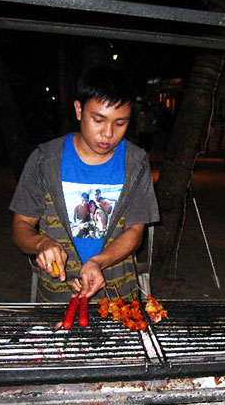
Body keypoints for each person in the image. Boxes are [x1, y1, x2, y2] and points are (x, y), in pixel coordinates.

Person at [10, 65, 160, 303]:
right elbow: (21, 225)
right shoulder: (45, 161)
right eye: (98, 120)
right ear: (79, 110)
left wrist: (97, 262)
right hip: (57, 294)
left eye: (120, 123)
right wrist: (41, 243)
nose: (108, 133)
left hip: (118, 295)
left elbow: (135, 232)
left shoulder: (136, 164)